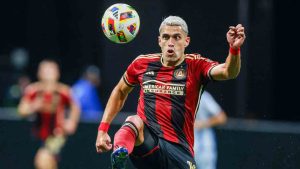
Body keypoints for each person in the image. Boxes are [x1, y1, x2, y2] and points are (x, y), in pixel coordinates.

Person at [95, 15, 246, 169]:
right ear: (159, 40)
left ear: (186, 41)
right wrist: (102, 130)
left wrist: (234, 49)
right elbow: (120, 91)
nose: (171, 43)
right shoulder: (142, 64)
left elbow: (229, 72)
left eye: (177, 37)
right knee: (134, 121)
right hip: (150, 145)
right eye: (166, 37)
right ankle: (119, 154)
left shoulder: (196, 65)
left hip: (180, 152)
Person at [18, 59, 80, 169]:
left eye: (51, 71)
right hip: (38, 137)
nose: (48, 74)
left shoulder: (63, 91)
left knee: (43, 158)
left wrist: (71, 122)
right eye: (45, 70)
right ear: (39, 73)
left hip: (57, 136)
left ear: (57, 73)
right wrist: (34, 106)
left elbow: (75, 106)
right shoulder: (33, 90)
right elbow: (22, 110)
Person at [194, 90, 227, 169]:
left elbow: (222, 117)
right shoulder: (179, 94)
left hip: (204, 148)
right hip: (185, 147)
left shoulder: (203, 96)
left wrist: (202, 124)